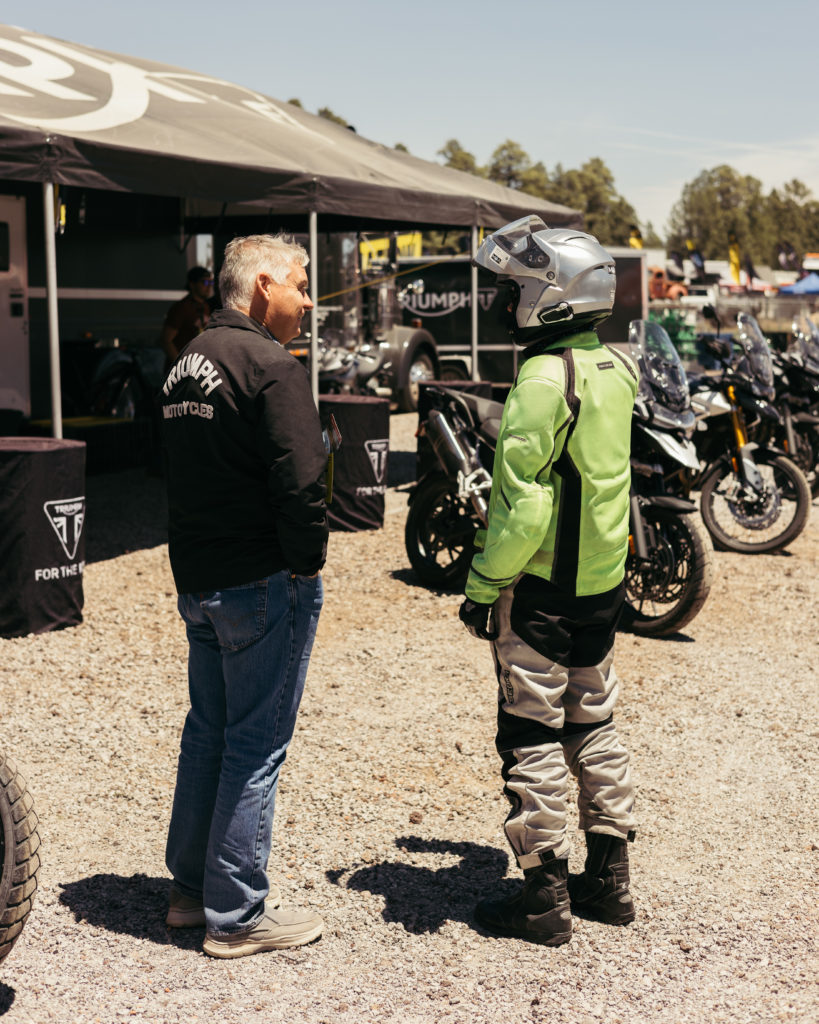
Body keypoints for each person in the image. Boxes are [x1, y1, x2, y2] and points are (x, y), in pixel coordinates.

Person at [458, 215, 638, 946]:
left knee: (530, 733)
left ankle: (542, 898)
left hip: (536, 594)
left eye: (513, 290)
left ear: (551, 297)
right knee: (593, 721)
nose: (502, 303)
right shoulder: (613, 368)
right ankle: (610, 879)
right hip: (600, 586)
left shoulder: (540, 377)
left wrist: (479, 586)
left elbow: (521, 507)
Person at [160, 233, 328, 959]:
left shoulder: (189, 361)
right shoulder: (269, 364)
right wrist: (306, 566)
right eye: (299, 283)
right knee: (253, 745)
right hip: (259, 580)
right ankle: (238, 915)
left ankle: (191, 892)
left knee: (209, 732)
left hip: (200, 579)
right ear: (262, 286)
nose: (307, 298)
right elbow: (302, 482)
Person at [160, 265, 214, 366]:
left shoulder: (206, 306)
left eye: (210, 282)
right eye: (204, 282)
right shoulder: (182, 308)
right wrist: (180, 365)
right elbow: (166, 340)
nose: (209, 286)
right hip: (181, 370)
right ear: (192, 284)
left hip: (197, 366)